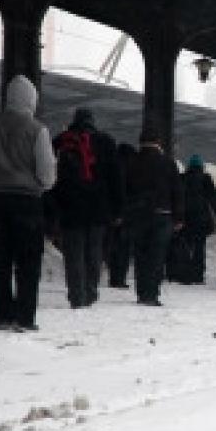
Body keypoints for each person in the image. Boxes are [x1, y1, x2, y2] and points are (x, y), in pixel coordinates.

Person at [0, 75, 56, 331]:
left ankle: (2, 316)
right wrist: (42, 186)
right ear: (32, 100)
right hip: (28, 201)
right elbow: (46, 172)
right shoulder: (37, 130)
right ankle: (25, 317)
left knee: (0, 259)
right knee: (28, 261)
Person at [50, 108, 123, 308]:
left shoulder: (61, 141)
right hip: (98, 207)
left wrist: (54, 207)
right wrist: (118, 209)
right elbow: (116, 178)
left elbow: (51, 177)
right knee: (94, 250)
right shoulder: (106, 142)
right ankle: (90, 290)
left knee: (73, 252)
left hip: (70, 207)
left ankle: (76, 294)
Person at [123, 129, 183, 307]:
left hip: (138, 215)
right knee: (156, 256)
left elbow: (125, 189)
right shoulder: (168, 163)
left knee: (141, 254)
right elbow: (177, 191)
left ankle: (141, 292)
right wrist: (179, 217)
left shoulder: (133, 162)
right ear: (158, 142)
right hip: (162, 215)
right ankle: (151, 293)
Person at [174, 154, 216, 284]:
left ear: (189, 166)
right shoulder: (206, 179)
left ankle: (183, 274)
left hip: (184, 218)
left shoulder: (182, 178)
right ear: (201, 166)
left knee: (184, 246)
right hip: (201, 220)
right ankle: (197, 275)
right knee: (199, 247)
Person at [105, 143, 137, 288]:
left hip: (111, 212)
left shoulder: (112, 167)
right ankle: (119, 279)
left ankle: (113, 276)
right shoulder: (131, 170)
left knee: (113, 245)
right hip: (128, 213)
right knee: (124, 248)